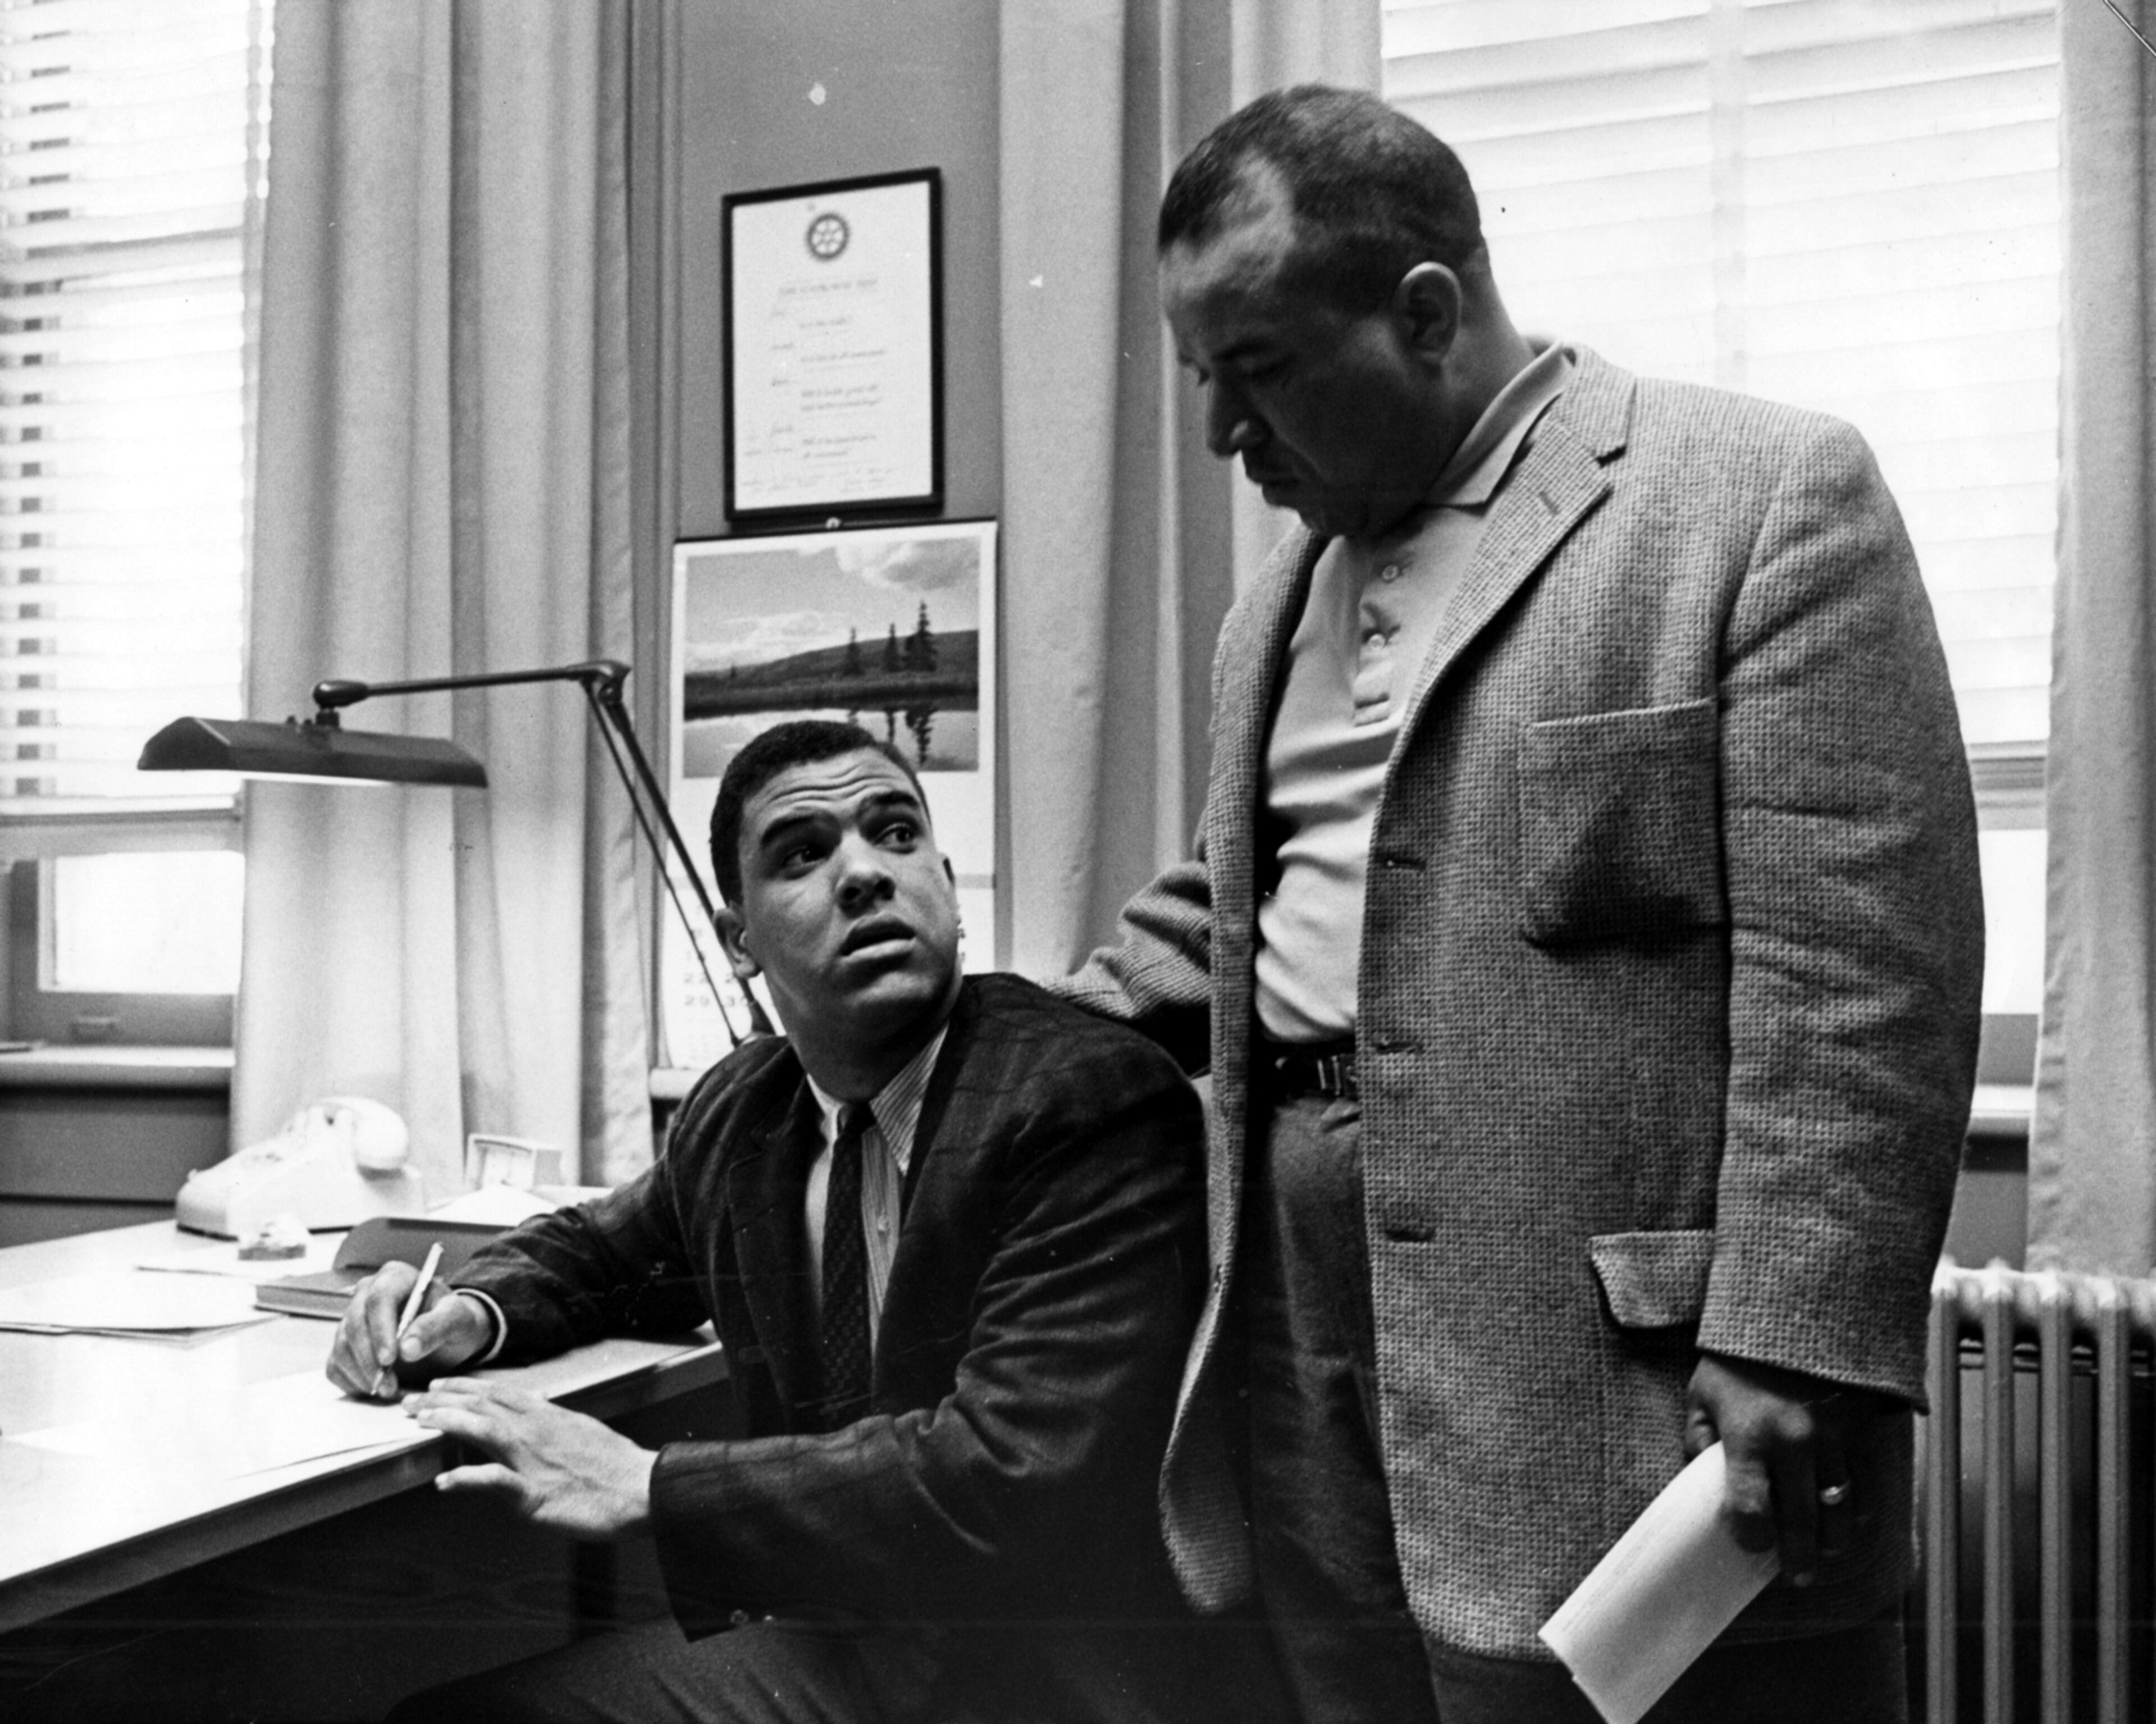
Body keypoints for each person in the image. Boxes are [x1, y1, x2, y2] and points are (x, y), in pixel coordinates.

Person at [1058, 85, 1985, 1723]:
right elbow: (1245, 904)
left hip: (1611, 1378)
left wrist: (1795, 1334)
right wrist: (985, 1038)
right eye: (1200, 375)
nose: (1220, 434)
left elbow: (1863, 968)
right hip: (1304, 1345)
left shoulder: (1758, 495)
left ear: (1426, 314)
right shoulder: (1272, 602)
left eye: (1257, 366)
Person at [330, 719, 1257, 1724]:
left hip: (1031, 1680)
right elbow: (605, 1249)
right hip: (849, 1641)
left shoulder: (1084, 1096)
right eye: (804, 854)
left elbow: (1010, 1473)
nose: (864, 872)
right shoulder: (747, 1106)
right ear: (740, 943)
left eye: (895, 833)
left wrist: (645, 1482)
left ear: (949, 887)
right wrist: (466, 1309)